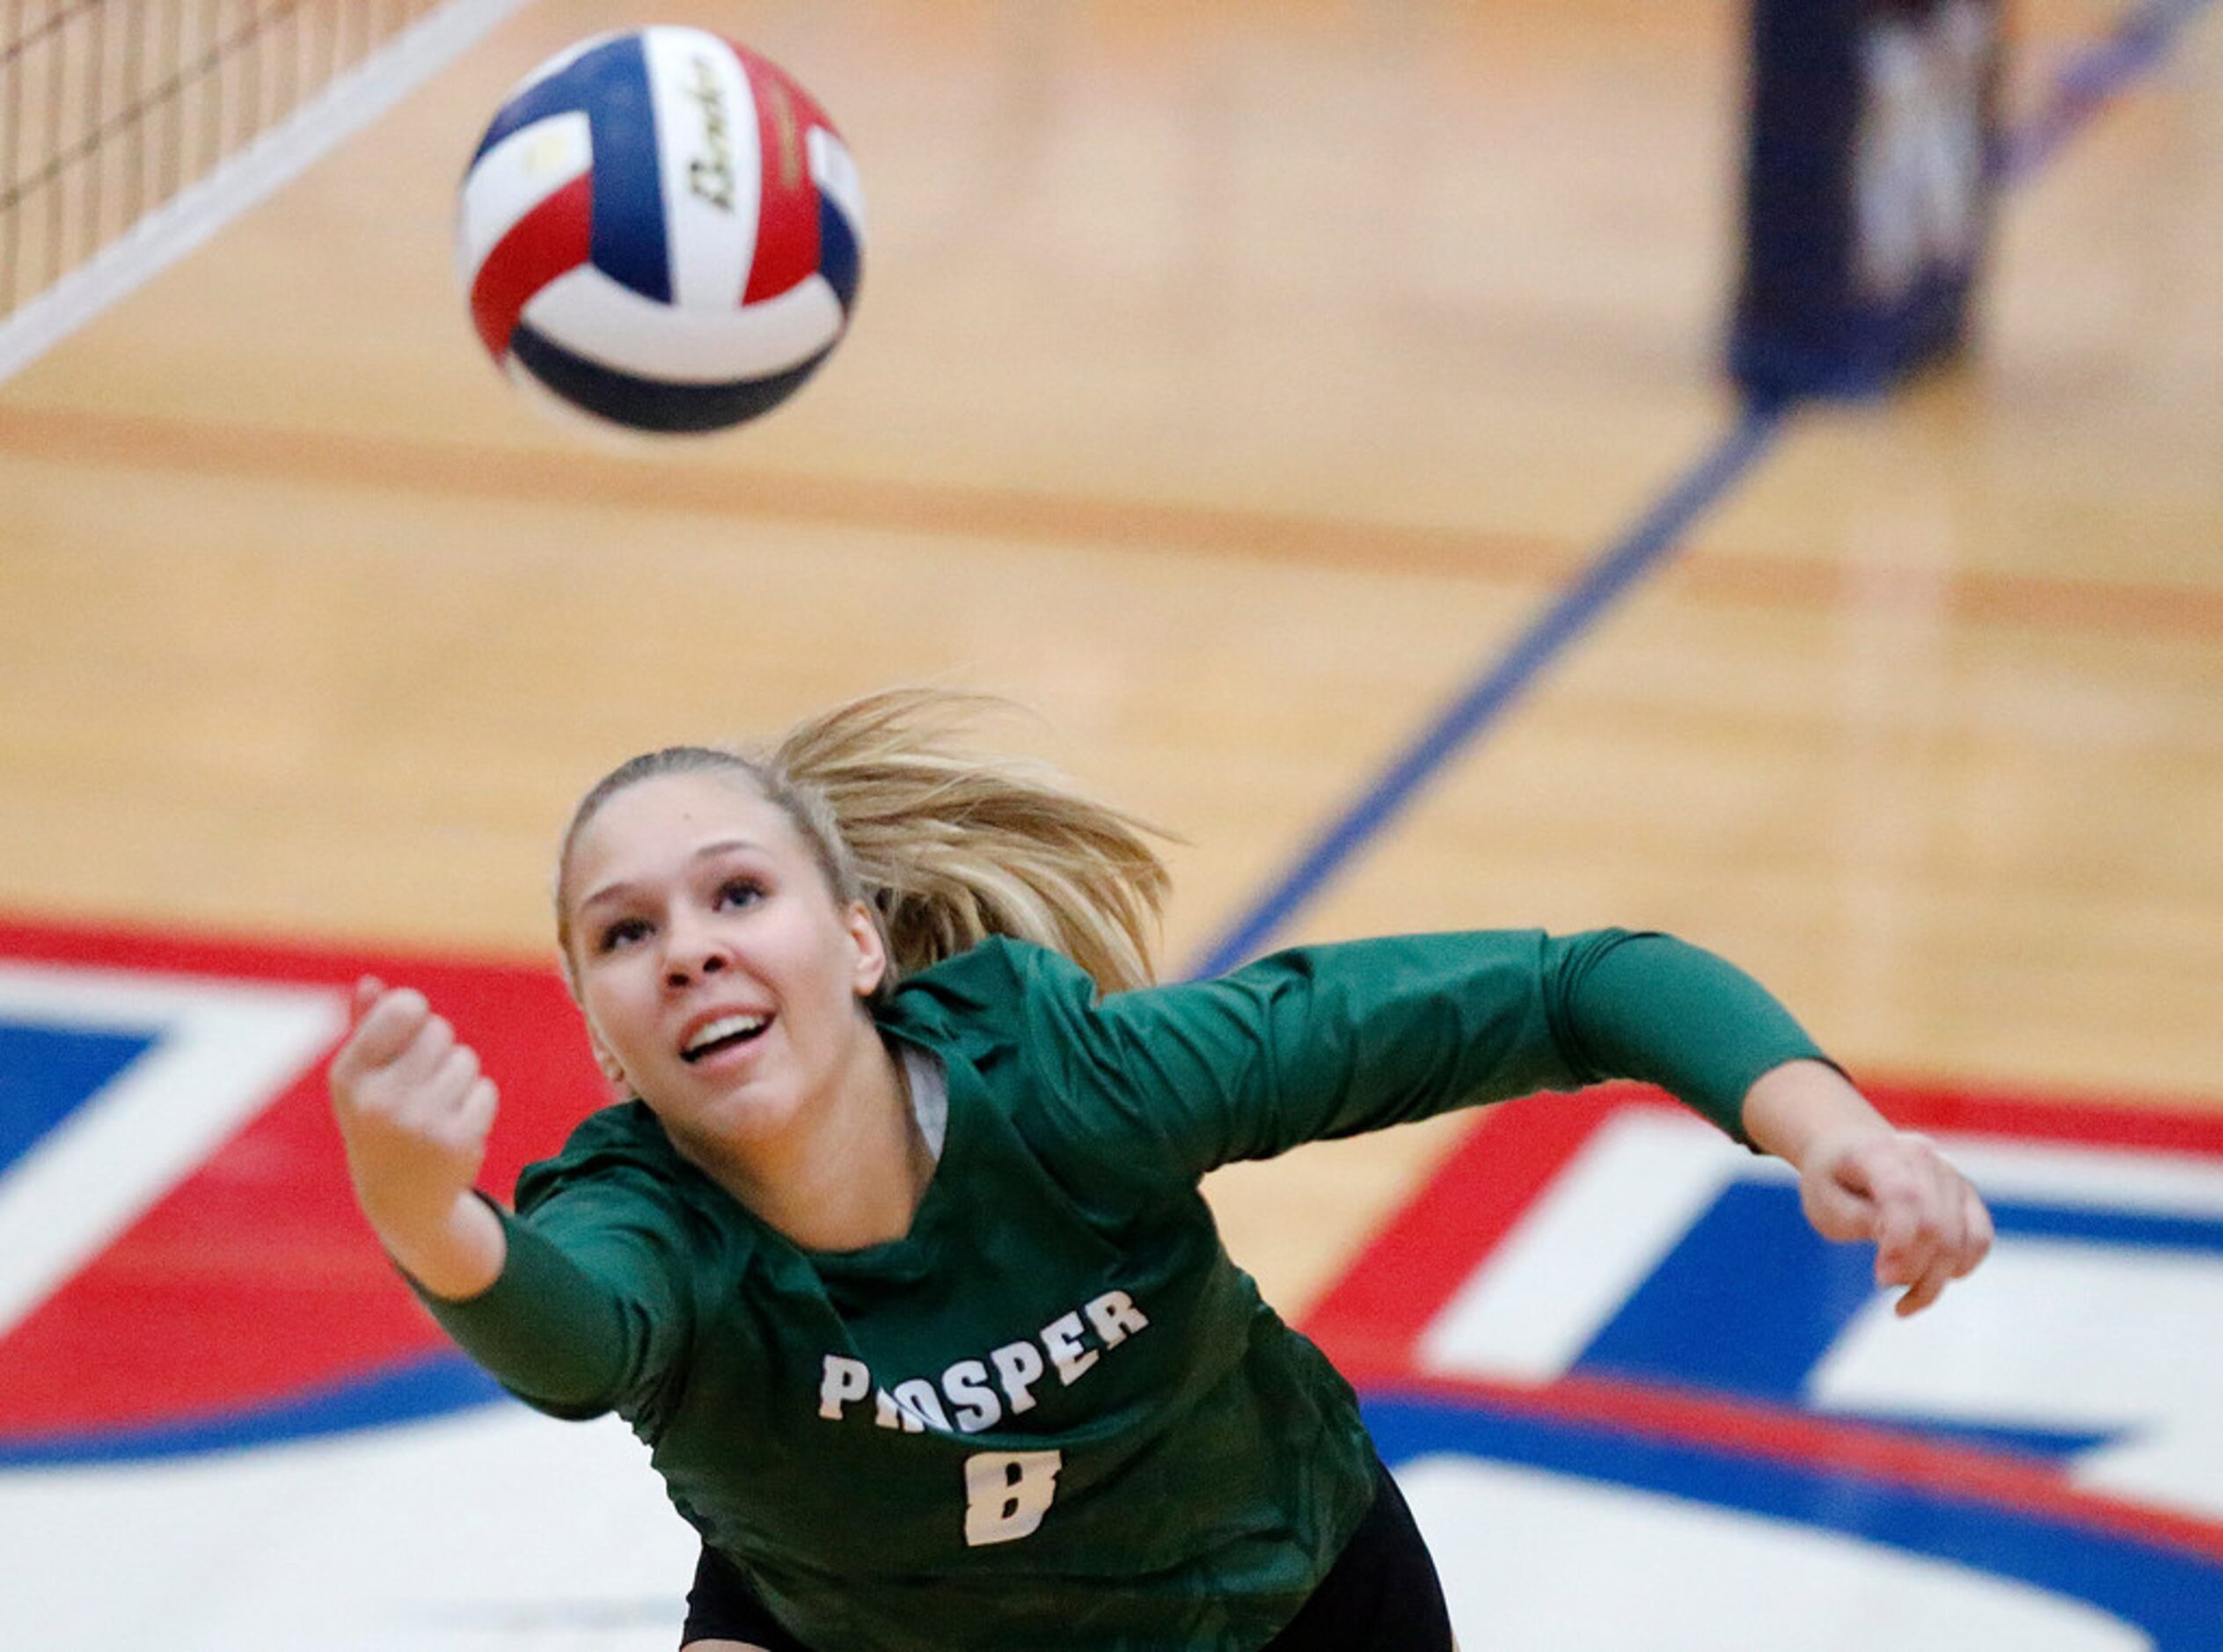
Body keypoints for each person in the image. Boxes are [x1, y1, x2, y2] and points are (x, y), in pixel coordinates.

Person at [328, 688, 1993, 1652]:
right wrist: (426, 1208)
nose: (688, 949)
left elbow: (1566, 985)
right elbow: (570, 1339)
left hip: (1261, 1601)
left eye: (735, 897)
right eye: (628, 933)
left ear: (858, 941)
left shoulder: (1077, 1089)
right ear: (604, 1038)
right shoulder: (640, 1219)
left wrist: (1831, 1127)